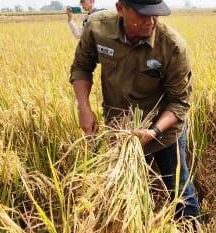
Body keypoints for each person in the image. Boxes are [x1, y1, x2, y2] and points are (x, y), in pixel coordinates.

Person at [70, 0, 200, 221]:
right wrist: (84, 107)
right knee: (124, 190)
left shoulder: (172, 46)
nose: (151, 21)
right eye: (143, 15)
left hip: (163, 131)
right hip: (120, 129)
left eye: (155, 15)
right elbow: (82, 66)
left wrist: (154, 132)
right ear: (121, 8)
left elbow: (179, 102)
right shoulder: (97, 28)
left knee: (178, 188)